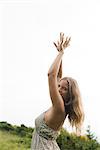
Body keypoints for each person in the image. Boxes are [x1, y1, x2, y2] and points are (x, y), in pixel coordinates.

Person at [31, 33, 84, 150]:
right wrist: (60, 52)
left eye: (64, 89)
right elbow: (57, 77)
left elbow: (51, 75)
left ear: (70, 95)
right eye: (59, 86)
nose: (59, 89)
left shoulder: (59, 107)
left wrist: (61, 53)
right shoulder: (60, 106)